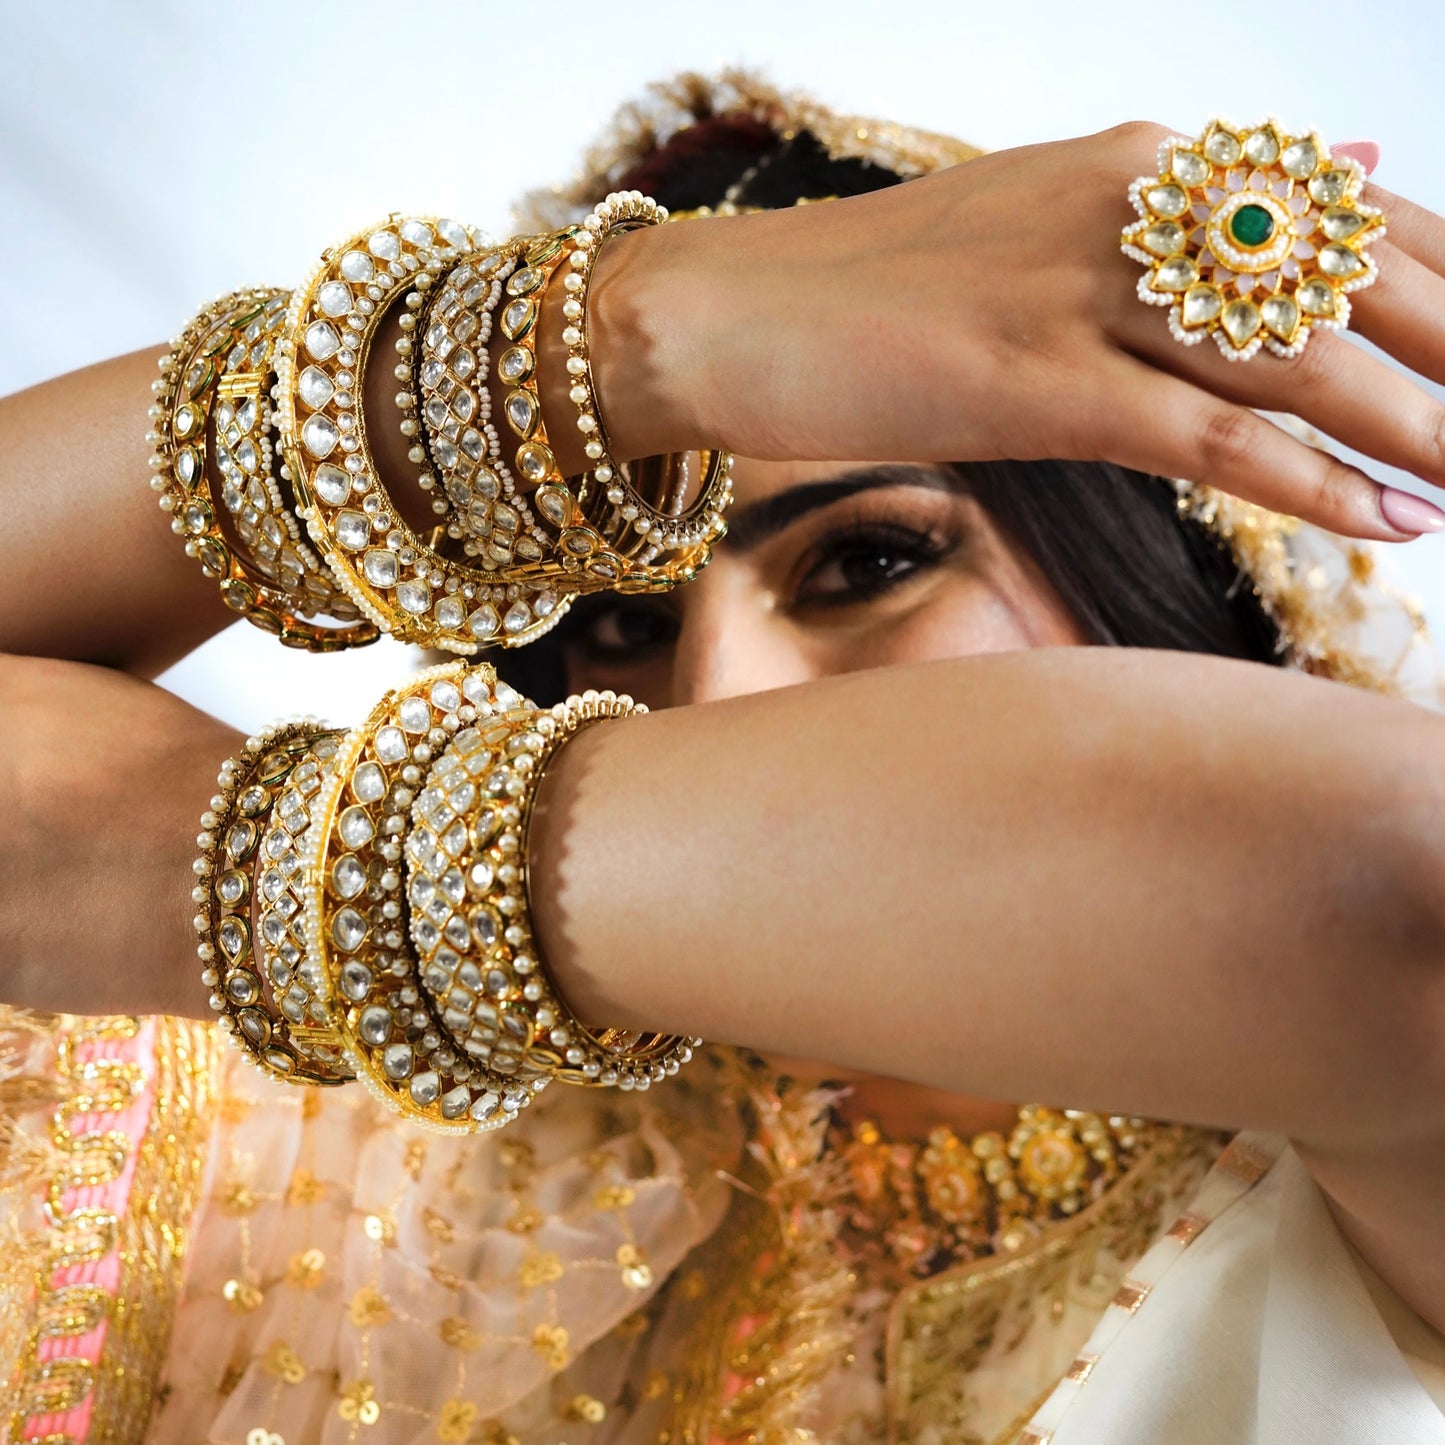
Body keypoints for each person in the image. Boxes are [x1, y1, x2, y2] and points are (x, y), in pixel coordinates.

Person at [0, 69, 1443, 1442]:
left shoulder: (1354, 1182)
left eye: (867, 559)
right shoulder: (409, 1189)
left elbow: (1391, 894)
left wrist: (310, 866)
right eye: (624, 626)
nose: (712, 702)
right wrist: (622, 339)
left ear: (1148, 561)